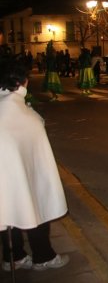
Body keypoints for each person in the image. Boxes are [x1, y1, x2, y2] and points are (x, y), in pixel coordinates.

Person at [0, 56, 69, 272]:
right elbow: (39, 164)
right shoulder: (24, 114)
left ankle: (15, 256)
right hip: (24, 179)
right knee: (36, 202)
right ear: (22, 82)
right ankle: (43, 256)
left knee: (6, 210)